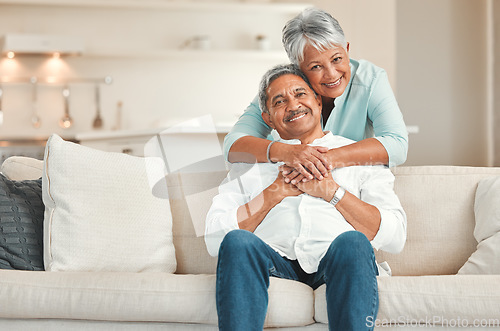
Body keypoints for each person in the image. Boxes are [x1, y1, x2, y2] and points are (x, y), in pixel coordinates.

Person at [205, 64, 407, 330]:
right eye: (280, 101)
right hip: (273, 261)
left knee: (354, 243)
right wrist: (273, 194)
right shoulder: (250, 162)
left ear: (318, 101)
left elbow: (396, 237)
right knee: (237, 241)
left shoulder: (359, 155)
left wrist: (332, 193)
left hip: (335, 260)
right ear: (267, 118)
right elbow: (214, 238)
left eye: (301, 94)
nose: (293, 105)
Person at [224, 7, 408, 185]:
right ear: (297, 68)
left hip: (347, 185)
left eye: (337, 59)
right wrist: (288, 153)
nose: (332, 74)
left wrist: (325, 159)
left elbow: (397, 145)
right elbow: (232, 144)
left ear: (347, 49)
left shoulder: (371, 79)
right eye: (315, 66)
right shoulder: (282, 87)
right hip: (288, 183)